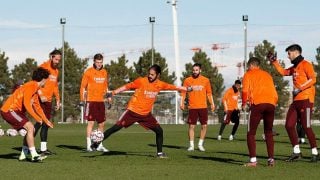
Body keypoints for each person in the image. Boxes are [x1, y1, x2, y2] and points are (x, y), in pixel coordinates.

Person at [91, 64, 190, 158]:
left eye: (152, 74)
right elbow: (127, 86)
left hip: (145, 115)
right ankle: (96, 143)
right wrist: (113, 92)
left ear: (158, 75)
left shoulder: (160, 84)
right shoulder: (141, 81)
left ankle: (159, 153)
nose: (150, 76)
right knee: (115, 128)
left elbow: (174, 87)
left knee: (159, 131)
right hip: (132, 112)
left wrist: (186, 89)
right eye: (149, 74)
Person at [268, 44, 318, 162]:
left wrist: (300, 88)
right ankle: (296, 152)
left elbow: (313, 79)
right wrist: (274, 62)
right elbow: (283, 72)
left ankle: (315, 152)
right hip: (296, 101)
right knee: (289, 125)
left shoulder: (306, 64)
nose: (288, 56)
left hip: (306, 99)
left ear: (296, 52)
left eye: (289, 53)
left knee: (306, 126)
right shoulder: (295, 67)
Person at [1, 67, 53, 162]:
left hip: (16, 112)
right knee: (30, 127)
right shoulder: (31, 86)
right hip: (9, 110)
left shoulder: (35, 89)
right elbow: (26, 104)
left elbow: (38, 108)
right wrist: (37, 118)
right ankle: (34, 155)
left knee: (31, 129)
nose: (47, 82)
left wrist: (46, 121)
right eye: (47, 80)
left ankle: (23, 154)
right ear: (43, 79)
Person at [242, 57, 278, 167]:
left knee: (251, 133)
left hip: (258, 104)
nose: (247, 68)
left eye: (248, 66)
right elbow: (274, 91)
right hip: (271, 104)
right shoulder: (267, 74)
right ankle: (271, 159)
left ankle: (253, 161)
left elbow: (244, 91)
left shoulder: (248, 74)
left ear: (251, 65)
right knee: (268, 132)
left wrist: (244, 103)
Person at [180, 63, 215, 152]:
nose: (195, 71)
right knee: (192, 127)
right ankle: (191, 145)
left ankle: (200, 144)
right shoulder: (187, 80)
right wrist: (182, 103)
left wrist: (212, 103)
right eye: (193, 70)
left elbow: (209, 93)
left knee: (204, 126)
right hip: (192, 107)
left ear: (200, 70)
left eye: (196, 70)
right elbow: (183, 93)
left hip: (203, 107)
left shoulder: (206, 80)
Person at [80, 53, 110, 152]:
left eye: (101, 62)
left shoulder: (104, 72)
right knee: (91, 123)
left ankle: (99, 145)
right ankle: (89, 145)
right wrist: (82, 99)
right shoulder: (88, 72)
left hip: (101, 101)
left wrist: (108, 96)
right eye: (97, 62)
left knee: (101, 124)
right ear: (94, 61)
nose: (99, 64)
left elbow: (105, 86)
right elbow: (82, 87)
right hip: (91, 101)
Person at [34, 49, 61, 155]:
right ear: (51, 57)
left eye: (59, 60)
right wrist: (40, 94)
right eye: (56, 59)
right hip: (39, 100)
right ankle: (26, 148)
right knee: (39, 122)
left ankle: (43, 149)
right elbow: (35, 81)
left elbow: (55, 86)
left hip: (49, 101)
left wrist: (58, 99)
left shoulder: (56, 71)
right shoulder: (43, 66)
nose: (57, 62)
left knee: (46, 124)